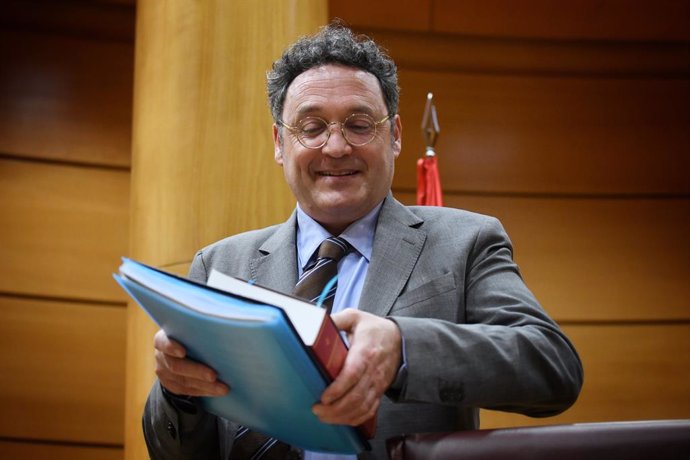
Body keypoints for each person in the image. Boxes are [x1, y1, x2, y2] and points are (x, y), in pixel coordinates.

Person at [143, 23, 583, 460]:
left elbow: (552, 367)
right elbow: (171, 451)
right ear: (280, 143)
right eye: (311, 127)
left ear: (394, 135)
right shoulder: (219, 265)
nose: (335, 147)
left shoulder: (465, 242)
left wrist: (403, 347)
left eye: (358, 124)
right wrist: (178, 393)